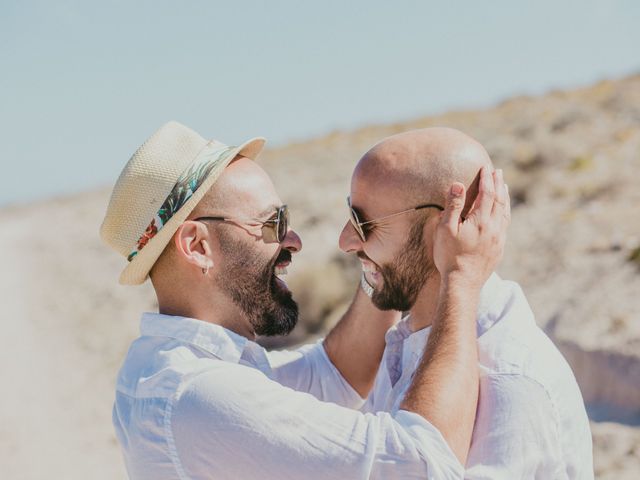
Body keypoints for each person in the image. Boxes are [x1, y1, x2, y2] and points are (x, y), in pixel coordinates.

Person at [100, 121, 508, 479]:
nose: (292, 240)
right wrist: (461, 277)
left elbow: (336, 373)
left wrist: (381, 261)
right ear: (198, 246)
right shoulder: (200, 397)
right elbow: (421, 465)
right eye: (272, 223)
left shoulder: (169, 367)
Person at [339, 127, 594, 479]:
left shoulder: (509, 382)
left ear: (446, 226)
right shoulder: (410, 340)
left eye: (362, 222)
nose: (346, 241)